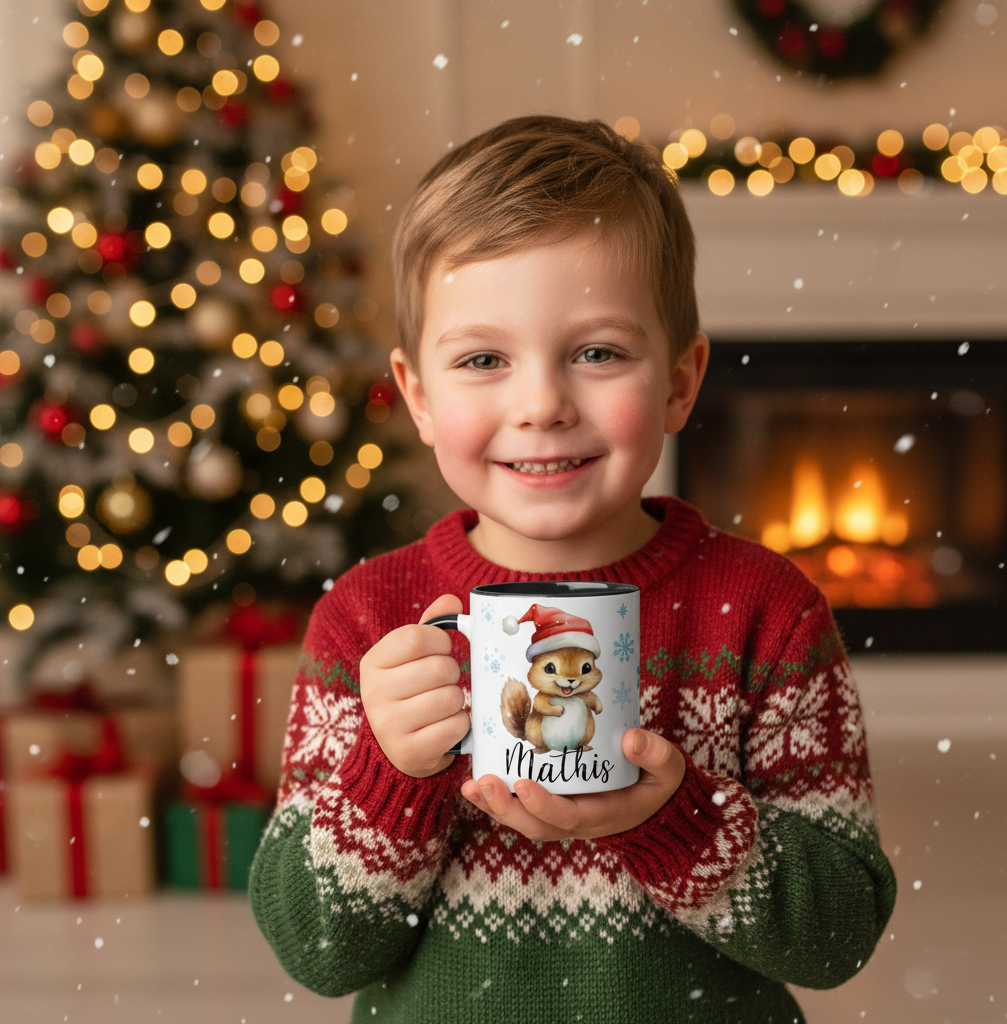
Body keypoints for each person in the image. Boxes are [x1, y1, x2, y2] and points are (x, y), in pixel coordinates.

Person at [249, 115, 896, 1023]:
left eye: (597, 353)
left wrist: (677, 821)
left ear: (679, 381)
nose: (543, 405)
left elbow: (839, 934)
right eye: (484, 360)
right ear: (420, 397)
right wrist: (391, 775)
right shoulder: (368, 622)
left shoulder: (765, 612)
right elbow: (316, 947)